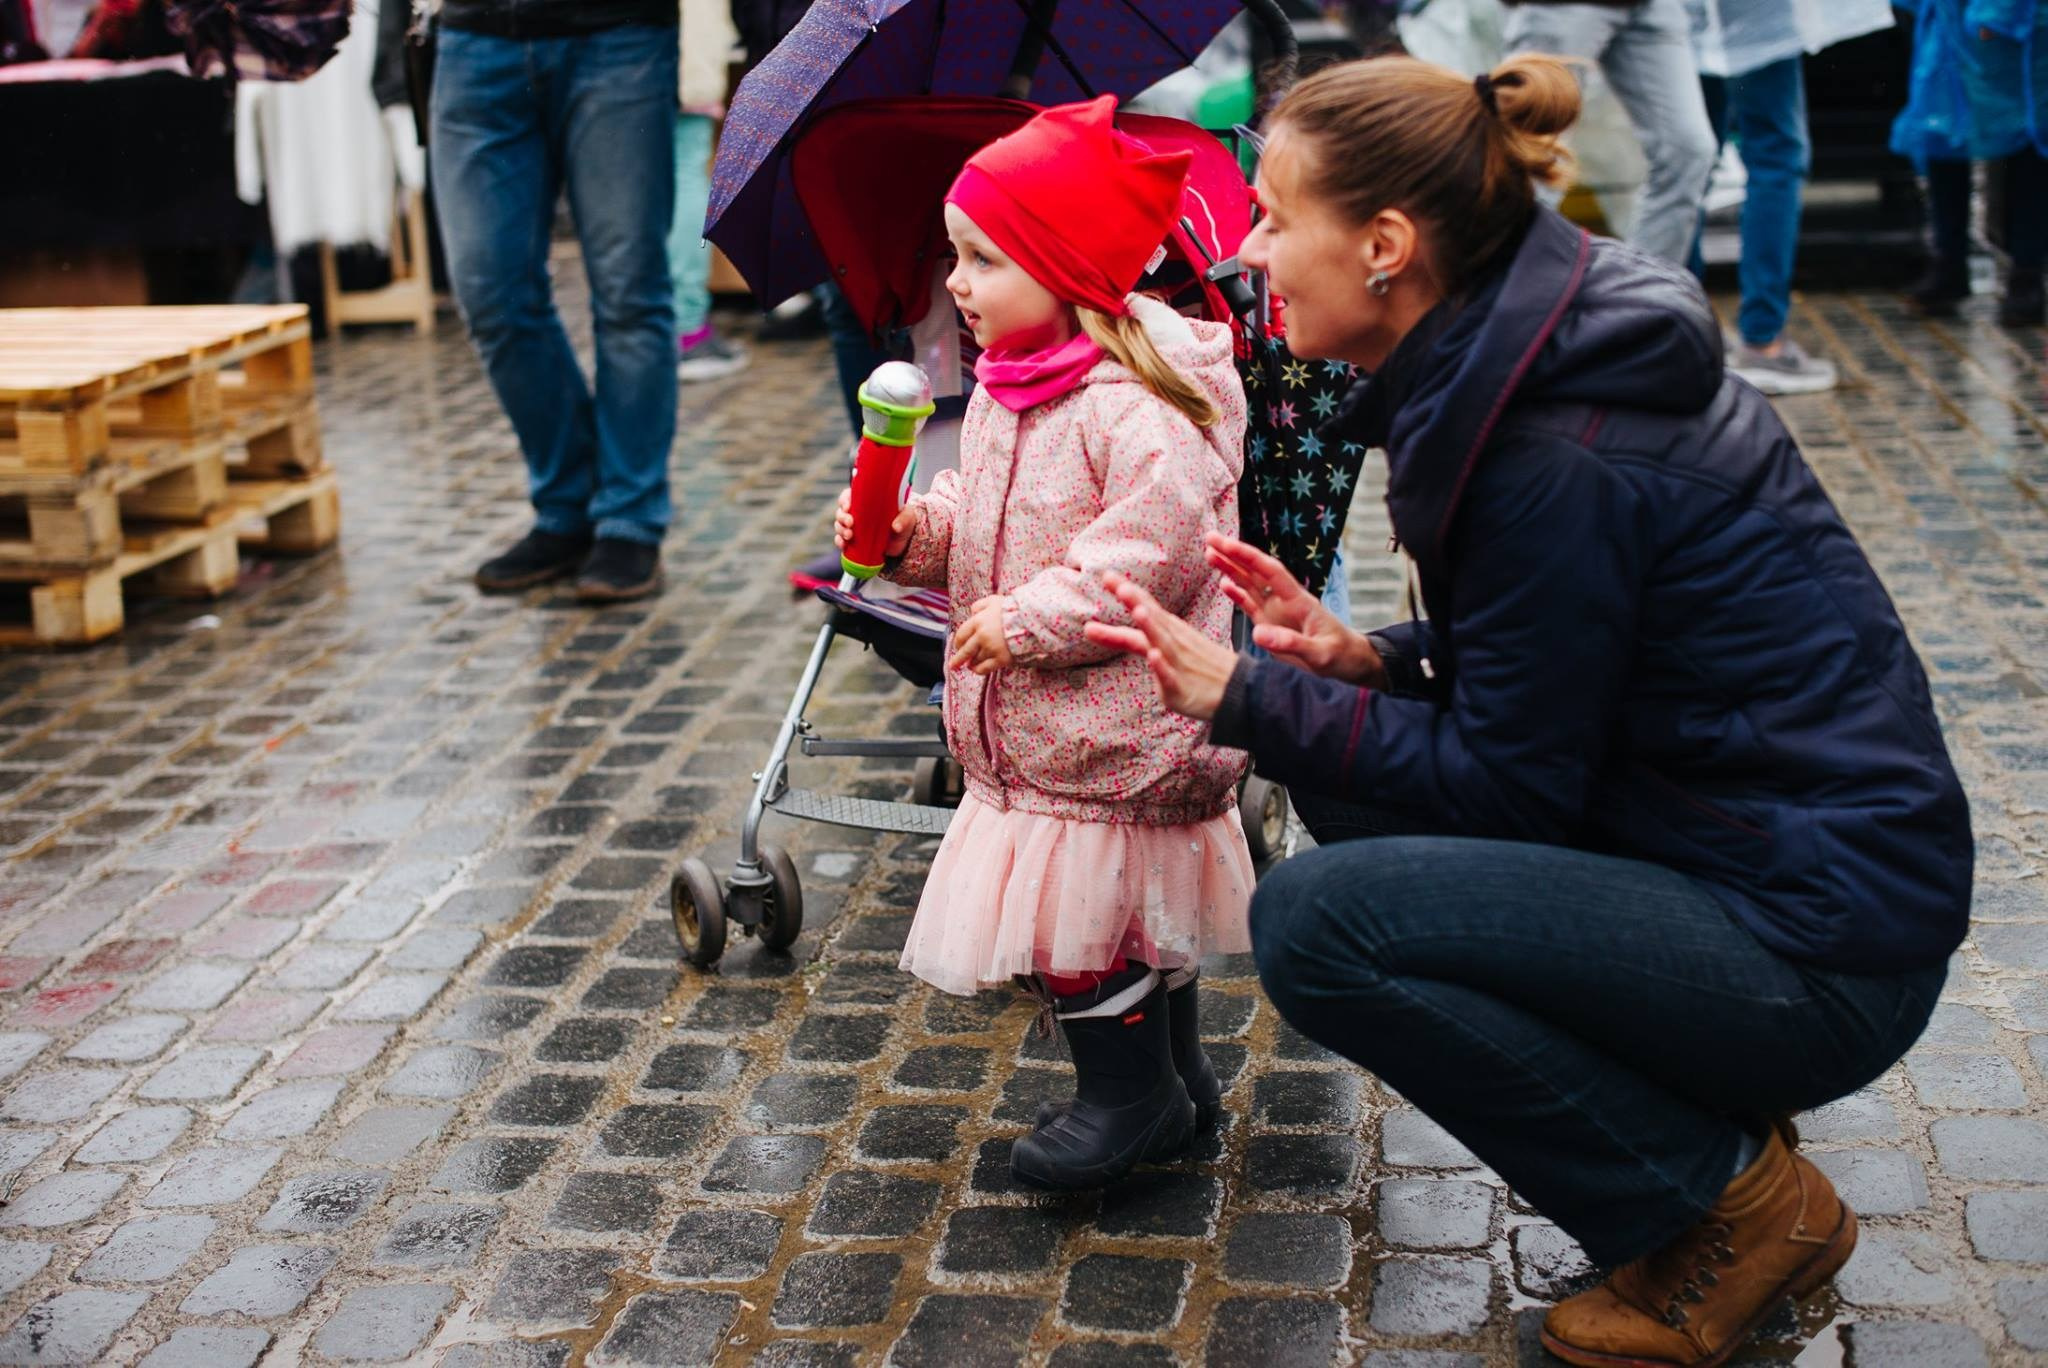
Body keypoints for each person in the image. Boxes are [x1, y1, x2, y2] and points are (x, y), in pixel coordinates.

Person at [1087, 54, 1971, 1368]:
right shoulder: (1517, 364)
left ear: (1387, 246)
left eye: (1275, 218)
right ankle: (1707, 1128)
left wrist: (1252, 696)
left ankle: (1733, 1205)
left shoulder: (1550, 444)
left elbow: (1515, 784)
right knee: (1347, 774)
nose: (1254, 253)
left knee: (1318, 926)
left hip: (1820, 944)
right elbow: (1573, 659)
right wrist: (1364, 663)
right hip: (1743, 854)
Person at [834, 97, 1256, 1191]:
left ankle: (1128, 1095)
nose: (955, 285)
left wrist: (1024, 621)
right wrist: (914, 534)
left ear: (1064, 269)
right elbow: (985, 514)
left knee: (1085, 930)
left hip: (1116, 725)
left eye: (981, 260)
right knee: (1125, 919)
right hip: (1054, 726)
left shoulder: (1142, 409)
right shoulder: (1010, 386)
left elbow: (1145, 557)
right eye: (952, 257)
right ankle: (1178, 1087)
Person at [435, 0, 677, 601]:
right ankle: (569, 503)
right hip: (474, 38)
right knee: (489, 290)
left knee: (628, 290)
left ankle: (628, 515)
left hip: (618, 36)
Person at [1686, 0, 1892, 393]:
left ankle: (1689, 329)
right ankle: (1763, 342)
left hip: (1686, 15)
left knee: (1691, 161)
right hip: (1756, 15)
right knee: (1775, 155)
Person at [1503, 0, 1719, 264]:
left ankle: (1645, 292)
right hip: (1558, 8)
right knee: (1532, 156)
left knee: (1687, 150)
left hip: (1654, 7)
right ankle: (1506, 286)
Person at [1892, 0, 2048, 326]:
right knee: (1943, 133)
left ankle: (2027, 272)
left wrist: (2000, 12)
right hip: (1949, 21)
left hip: (2014, 24)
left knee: (2026, 138)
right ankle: (1949, 263)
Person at [671, 0, 749, 383]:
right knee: (686, 172)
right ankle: (686, 327)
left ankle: (659, 326)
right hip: (685, 58)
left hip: (623, 60)